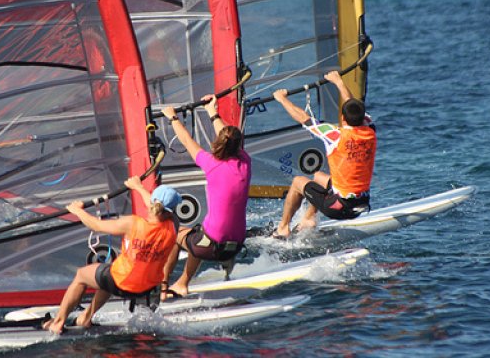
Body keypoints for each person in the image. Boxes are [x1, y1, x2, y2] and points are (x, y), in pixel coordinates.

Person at [43, 176, 180, 334]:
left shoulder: (133, 223)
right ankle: (85, 318)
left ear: (154, 205)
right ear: (171, 212)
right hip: (146, 288)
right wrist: (138, 187)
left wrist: (77, 211)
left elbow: (97, 225)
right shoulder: (173, 226)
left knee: (82, 275)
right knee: (108, 273)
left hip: (121, 282)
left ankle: (58, 323)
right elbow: (157, 207)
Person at [160, 94, 251, 299]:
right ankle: (220, 270)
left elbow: (186, 140)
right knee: (199, 234)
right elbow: (228, 138)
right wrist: (212, 112)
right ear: (238, 147)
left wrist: (172, 117)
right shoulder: (245, 162)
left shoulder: (211, 164)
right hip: (236, 245)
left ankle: (165, 288)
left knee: (174, 233)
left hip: (210, 247)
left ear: (219, 143)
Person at [271, 70, 377, 239]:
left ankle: (283, 228)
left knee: (298, 182)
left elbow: (304, 119)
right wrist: (338, 82)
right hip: (362, 202)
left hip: (339, 207)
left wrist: (282, 98)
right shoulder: (370, 129)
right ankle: (309, 219)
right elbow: (352, 106)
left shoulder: (336, 136)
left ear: (343, 118)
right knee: (318, 176)